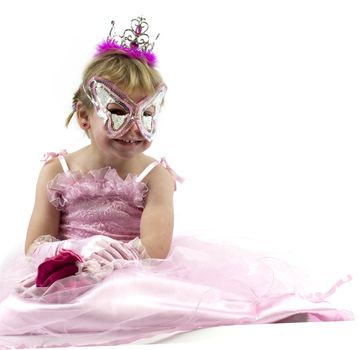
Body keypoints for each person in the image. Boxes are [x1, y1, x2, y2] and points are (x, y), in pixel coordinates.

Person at [0, 16, 354, 348]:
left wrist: (106, 262)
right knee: (16, 310)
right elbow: (37, 243)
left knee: (125, 301)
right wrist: (79, 254)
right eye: (119, 112)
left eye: (148, 113)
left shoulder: (154, 175)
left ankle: (267, 312)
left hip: (129, 271)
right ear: (83, 116)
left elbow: (155, 249)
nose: (135, 128)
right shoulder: (56, 170)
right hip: (67, 270)